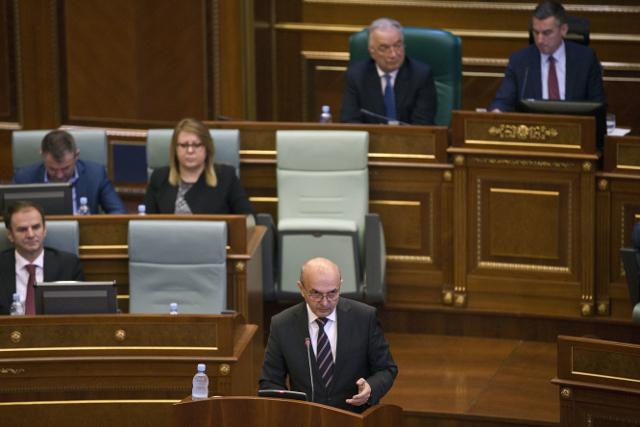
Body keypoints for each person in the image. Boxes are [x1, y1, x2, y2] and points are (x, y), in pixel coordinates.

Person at [260, 257, 397, 412]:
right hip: (305, 419)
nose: (325, 302)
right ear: (301, 289)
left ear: (340, 286)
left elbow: (386, 369)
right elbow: (270, 382)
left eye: (332, 293)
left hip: (354, 417)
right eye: (315, 293)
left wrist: (370, 388)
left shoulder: (364, 317)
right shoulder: (282, 324)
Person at [489, 1, 605, 112]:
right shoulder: (519, 61)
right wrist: (497, 111)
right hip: (533, 125)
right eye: (536, 32)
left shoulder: (586, 59)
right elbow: (502, 101)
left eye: (547, 33)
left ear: (563, 30)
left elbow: (598, 106)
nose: (540, 40)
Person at [144, 118, 255, 216]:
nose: (190, 151)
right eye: (184, 145)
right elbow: (147, 222)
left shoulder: (226, 176)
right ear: (175, 149)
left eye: (197, 145)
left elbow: (248, 217)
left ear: (207, 147)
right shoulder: (159, 177)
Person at [340, 18, 437, 125]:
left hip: (410, 136)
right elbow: (350, 120)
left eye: (398, 45)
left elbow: (423, 124)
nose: (393, 54)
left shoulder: (421, 75)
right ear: (372, 52)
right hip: (370, 135)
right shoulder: (356, 75)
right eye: (384, 48)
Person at [12, 130, 126, 214]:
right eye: (52, 169)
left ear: (76, 155)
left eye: (65, 168)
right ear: (42, 156)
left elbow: (118, 211)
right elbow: (9, 215)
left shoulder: (96, 174)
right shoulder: (24, 178)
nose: (59, 175)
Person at [0, 201, 84, 315]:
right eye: (22, 229)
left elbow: (80, 312)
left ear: (44, 230)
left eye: (36, 227)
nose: (30, 235)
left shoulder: (69, 265)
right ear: (10, 235)